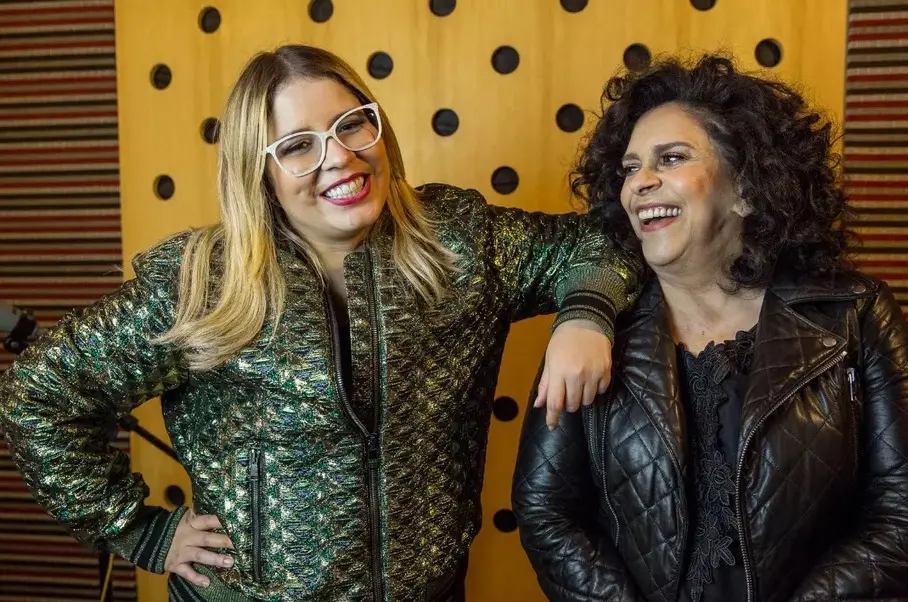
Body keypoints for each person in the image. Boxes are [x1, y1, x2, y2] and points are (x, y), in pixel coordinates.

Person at [0, 45, 641, 602]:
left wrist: (585, 315)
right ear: (261, 173)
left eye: (352, 126)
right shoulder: (200, 285)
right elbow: (37, 393)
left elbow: (609, 241)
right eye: (299, 146)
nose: (339, 157)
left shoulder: (464, 244)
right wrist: (138, 531)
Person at [511, 53, 908, 602]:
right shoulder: (595, 325)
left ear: (747, 188)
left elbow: (899, 511)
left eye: (670, 159)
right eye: (629, 169)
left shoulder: (856, 314)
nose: (639, 184)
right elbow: (546, 511)